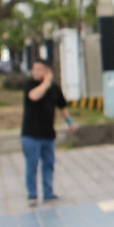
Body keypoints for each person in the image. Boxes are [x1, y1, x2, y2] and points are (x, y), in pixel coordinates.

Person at [21, 61, 73, 205]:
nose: (35, 71)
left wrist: (69, 122)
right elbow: (34, 96)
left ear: (47, 70)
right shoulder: (30, 84)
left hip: (48, 134)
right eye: (34, 69)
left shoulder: (55, 88)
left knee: (49, 164)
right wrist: (46, 83)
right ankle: (32, 195)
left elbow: (62, 107)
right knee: (32, 165)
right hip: (31, 135)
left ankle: (48, 193)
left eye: (39, 69)